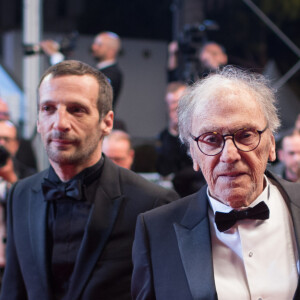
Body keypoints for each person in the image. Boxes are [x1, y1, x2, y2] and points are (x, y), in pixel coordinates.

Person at [0, 60, 178, 300]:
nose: (60, 123)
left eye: (76, 110)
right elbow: (13, 290)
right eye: (48, 108)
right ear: (39, 122)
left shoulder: (154, 204)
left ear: (107, 122)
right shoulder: (20, 194)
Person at [132, 66, 300, 299]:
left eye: (245, 135)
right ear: (193, 153)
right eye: (211, 139)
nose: (229, 155)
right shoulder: (156, 232)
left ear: (271, 144)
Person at [41, 31, 123, 108]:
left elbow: (80, 87)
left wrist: (56, 56)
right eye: (94, 44)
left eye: (99, 45)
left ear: (111, 51)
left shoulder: (113, 74)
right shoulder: (99, 71)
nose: (93, 47)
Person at [156, 81, 206, 196]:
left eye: (177, 102)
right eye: (170, 104)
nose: (174, 107)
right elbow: (164, 170)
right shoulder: (165, 136)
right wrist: (173, 131)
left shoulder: (203, 131)